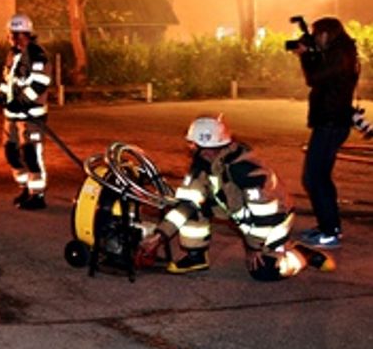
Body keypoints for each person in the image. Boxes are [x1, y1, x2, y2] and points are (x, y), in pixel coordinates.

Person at [138, 115, 335, 281]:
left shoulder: (245, 169)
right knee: (193, 206)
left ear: (206, 148)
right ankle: (196, 255)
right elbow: (186, 205)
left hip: (275, 219)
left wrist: (253, 247)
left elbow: (266, 214)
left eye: (192, 144)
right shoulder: (204, 165)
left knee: (264, 271)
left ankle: (301, 254)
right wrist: (159, 236)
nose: (189, 148)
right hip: (243, 215)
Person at [293, 17, 359, 249]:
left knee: (315, 177)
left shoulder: (339, 55)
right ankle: (327, 227)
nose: (315, 38)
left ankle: (330, 231)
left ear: (327, 34)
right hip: (330, 122)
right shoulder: (341, 52)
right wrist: (311, 53)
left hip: (331, 123)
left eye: (317, 34)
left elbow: (314, 78)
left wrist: (306, 55)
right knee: (318, 177)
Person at [0, 14, 51, 210]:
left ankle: (38, 194)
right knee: (11, 152)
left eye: (13, 34)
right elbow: (8, 82)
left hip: (31, 115)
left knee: (31, 154)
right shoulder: (13, 55)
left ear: (22, 34)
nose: (10, 38)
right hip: (12, 115)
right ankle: (26, 188)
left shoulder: (37, 55)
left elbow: (39, 83)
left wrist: (22, 102)